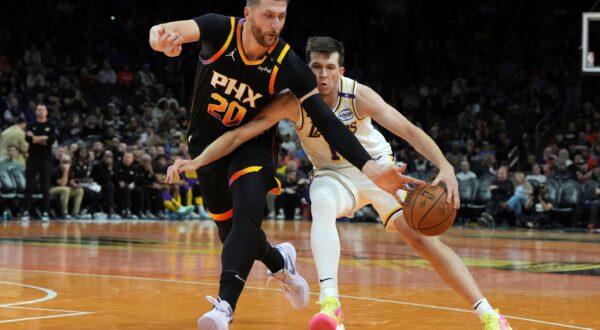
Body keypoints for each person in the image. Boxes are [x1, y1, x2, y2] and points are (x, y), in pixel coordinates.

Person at [171, 36, 512, 330]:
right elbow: (243, 132)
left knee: (424, 242)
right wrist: (198, 161)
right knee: (319, 200)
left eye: (329, 67)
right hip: (334, 177)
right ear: (307, 69)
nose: (322, 74)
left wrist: (445, 165)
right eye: (316, 67)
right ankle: (330, 305)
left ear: (341, 71)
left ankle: (488, 314)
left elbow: (407, 129)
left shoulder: (357, 95)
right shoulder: (293, 101)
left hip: (380, 172)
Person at [152, 2, 420, 329]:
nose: (275, 24)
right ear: (248, 14)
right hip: (208, 145)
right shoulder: (219, 30)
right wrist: (161, 40)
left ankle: (224, 309)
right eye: (268, 15)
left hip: (253, 144)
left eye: (281, 16)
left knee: (247, 214)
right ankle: (280, 262)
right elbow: (165, 31)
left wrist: (370, 167)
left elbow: (329, 123)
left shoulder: (288, 63)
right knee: (231, 233)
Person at [22, 104, 56, 222]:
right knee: (29, 186)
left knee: (45, 187)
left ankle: (45, 212)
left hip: (46, 160)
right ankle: (26, 212)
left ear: (46, 112)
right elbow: (28, 139)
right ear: (36, 112)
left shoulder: (51, 125)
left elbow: (50, 141)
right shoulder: (31, 125)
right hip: (32, 159)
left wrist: (36, 138)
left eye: (43, 110)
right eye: (38, 110)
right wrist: (43, 138)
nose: (41, 112)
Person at [49, 155, 84, 219]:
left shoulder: (70, 171)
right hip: (51, 189)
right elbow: (62, 184)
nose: (66, 164)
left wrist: (76, 185)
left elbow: (71, 182)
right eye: (64, 162)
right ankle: (64, 212)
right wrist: (65, 171)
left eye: (68, 162)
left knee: (80, 190)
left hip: (64, 189)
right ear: (60, 162)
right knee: (66, 189)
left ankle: (75, 212)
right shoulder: (55, 170)